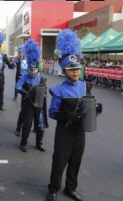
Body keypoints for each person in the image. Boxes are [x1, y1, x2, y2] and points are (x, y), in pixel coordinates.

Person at [46, 29, 103, 201]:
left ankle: (71, 188)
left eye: (77, 69)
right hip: (64, 132)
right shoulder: (59, 90)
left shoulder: (86, 86)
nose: (76, 72)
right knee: (60, 161)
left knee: (76, 161)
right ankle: (53, 189)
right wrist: (66, 116)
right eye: (71, 70)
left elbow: (89, 108)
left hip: (80, 132)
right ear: (63, 72)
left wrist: (97, 110)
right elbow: (52, 112)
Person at [15, 39, 48, 153]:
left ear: (37, 69)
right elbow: (17, 87)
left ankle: (39, 143)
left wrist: (43, 96)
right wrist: (26, 94)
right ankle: (23, 143)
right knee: (27, 124)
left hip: (39, 104)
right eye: (30, 71)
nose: (32, 73)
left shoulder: (42, 79)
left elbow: (45, 92)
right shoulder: (24, 76)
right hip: (28, 104)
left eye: (34, 71)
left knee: (40, 124)